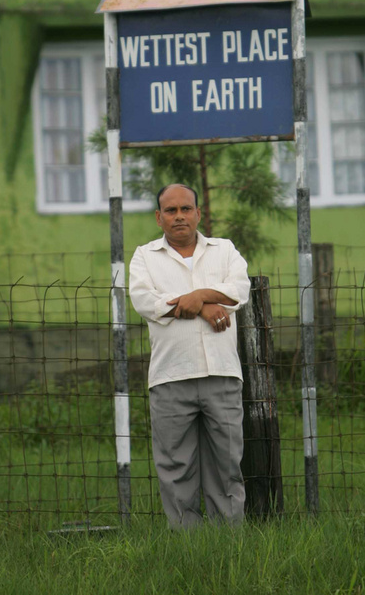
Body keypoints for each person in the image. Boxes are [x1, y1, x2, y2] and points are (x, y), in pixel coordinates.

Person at [128, 183, 250, 528]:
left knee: (226, 465)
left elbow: (240, 291)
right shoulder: (144, 256)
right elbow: (145, 301)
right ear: (158, 217)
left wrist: (198, 296)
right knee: (175, 467)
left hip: (222, 374)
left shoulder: (224, 250)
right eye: (170, 210)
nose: (179, 216)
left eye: (185, 209)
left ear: (198, 213)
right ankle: (188, 545)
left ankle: (229, 543)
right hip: (170, 376)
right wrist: (206, 305)